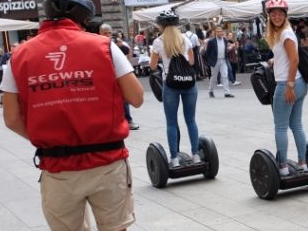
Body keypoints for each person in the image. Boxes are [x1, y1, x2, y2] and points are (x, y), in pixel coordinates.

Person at [1, 0, 144, 231]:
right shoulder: (102, 46)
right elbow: (136, 98)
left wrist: (44, 137)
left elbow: (11, 118)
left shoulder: (19, 55)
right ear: (83, 18)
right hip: (107, 160)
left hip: (57, 165)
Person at [264, 0, 308, 176]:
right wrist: (276, 59)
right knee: (296, 125)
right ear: (269, 16)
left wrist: (289, 85)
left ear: (285, 15)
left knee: (280, 127)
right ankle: (303, 163)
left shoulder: (285, 33)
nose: (276, 16)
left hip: (288, 84)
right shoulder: (285, 33)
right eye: (273, 13)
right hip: (298, 83)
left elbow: (295, 59)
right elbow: (289, 55)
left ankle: (282, 167)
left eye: (280, 13)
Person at [150, 10, 200, 167]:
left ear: (161, 25)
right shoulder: (185, 38)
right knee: (191, 120)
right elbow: (191, 62)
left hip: (170, 84)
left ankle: (174, 159)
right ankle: (196, 155)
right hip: (189, 83)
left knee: (171, 123)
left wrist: (162, 63)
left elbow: (152, 66)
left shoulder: (158, 41)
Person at [99, 24, 139, 130]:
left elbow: (127, 52)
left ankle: (128, 120)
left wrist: (120, 45)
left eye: (109, 33)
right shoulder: (97, 45)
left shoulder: (116, 45)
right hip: (106, 77)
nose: (107, 35)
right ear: (100, 33)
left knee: (124, 99)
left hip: (118, 76)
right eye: (105, 33)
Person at [204, 25, 234, 98]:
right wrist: (208, 62)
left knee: (225, 75)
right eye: (218, 31)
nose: (219, 33)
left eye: (220, 31)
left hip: (223, 60)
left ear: (223, 32)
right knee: (214, 77)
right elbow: (207, 52)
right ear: (215, 32)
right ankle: (210, 91)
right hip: (215, 61)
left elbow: (225, 50)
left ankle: (227, 92)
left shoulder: (225, 41)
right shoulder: (211, 41)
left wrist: (230, 48)